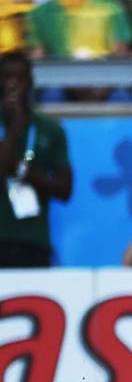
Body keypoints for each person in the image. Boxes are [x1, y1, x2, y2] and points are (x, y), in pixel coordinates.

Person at [0, 51, 71, 267]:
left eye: (20, 78)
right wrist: (14, 128)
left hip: (34, 240)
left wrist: (24, 172)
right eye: (7, 78)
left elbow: (65, 189)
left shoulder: (50, 129)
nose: (14, 86)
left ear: (31, 82)